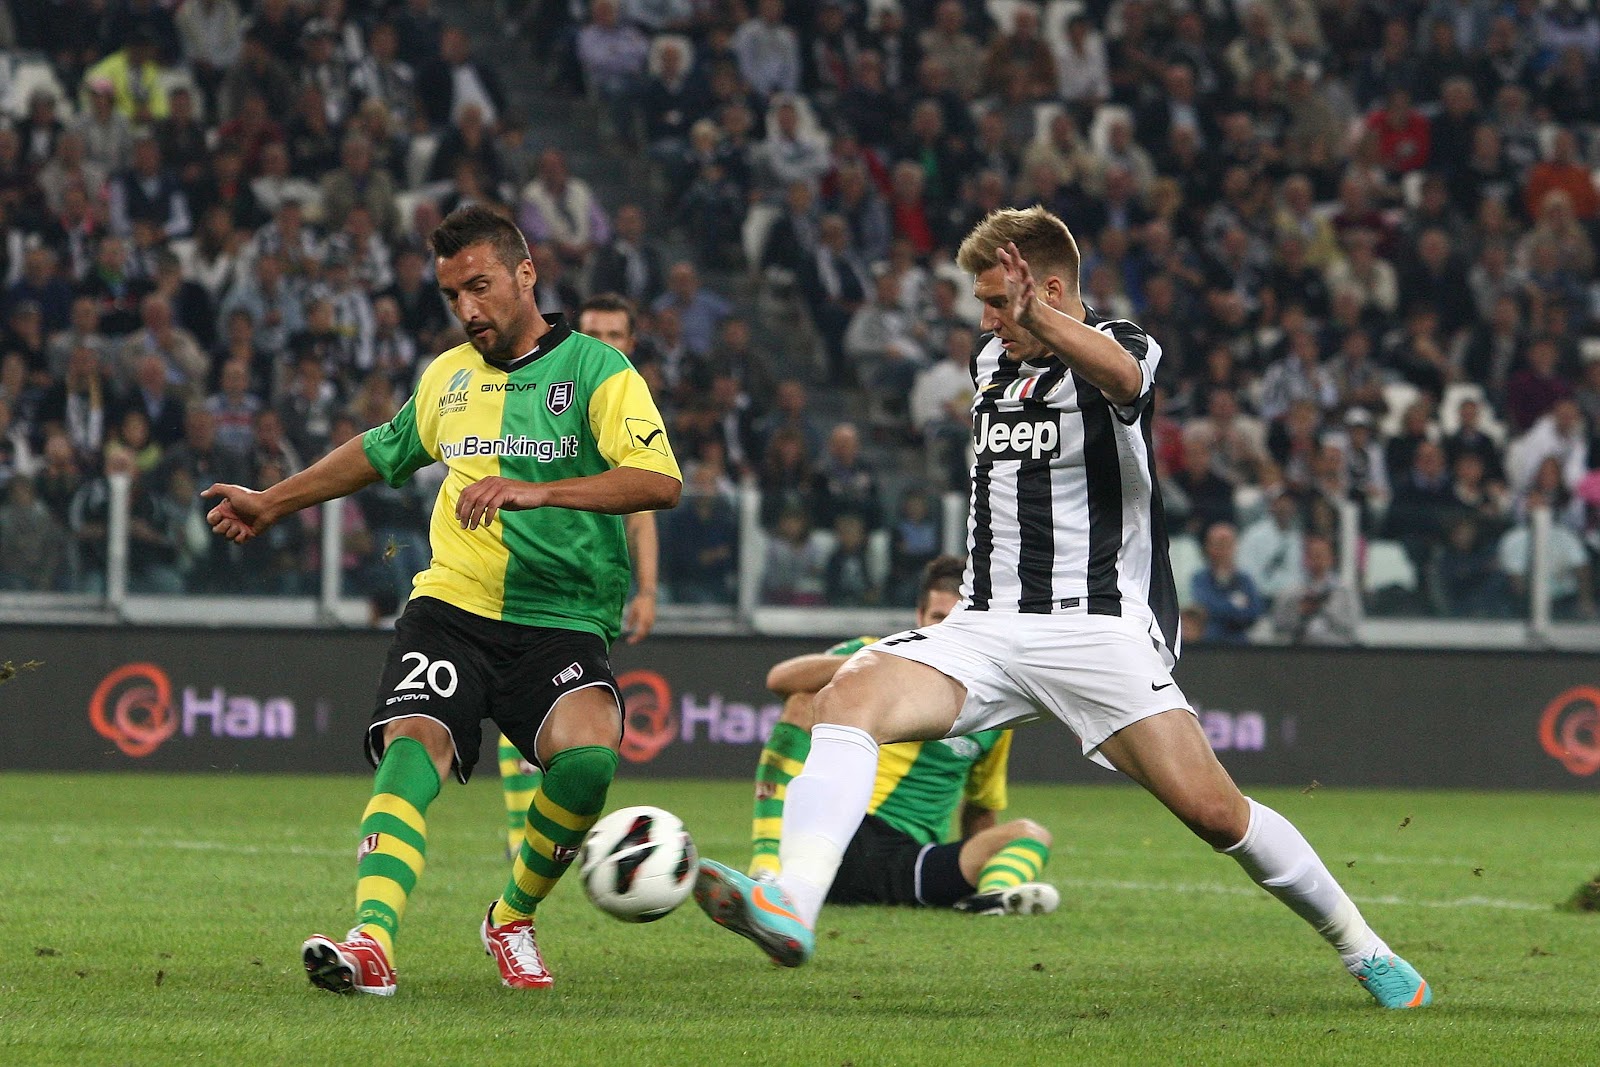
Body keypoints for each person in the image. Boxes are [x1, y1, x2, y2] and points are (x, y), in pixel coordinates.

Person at [693, 206, 1431, 1010]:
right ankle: (792, 905)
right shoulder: (990, 358)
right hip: (983, 624)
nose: (985, 321)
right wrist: (1017, 323)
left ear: (1045, 290)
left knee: (1218, 814)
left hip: (1095, 627)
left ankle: (1367, 950)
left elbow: (1124, 380)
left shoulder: (1126, 345)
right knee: (847, 694)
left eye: (996, 302)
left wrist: (1038, 319)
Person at [202, 206, 682, 996]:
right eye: (453, 294)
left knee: (589, 761)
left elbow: (659, 481)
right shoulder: (447, 377)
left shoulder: (599, 371)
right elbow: (381, 450)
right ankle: (372, 940)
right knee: (415, 736)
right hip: (454, 605)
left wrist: (536, 490)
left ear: (525, 274)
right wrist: (272, 502)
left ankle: (511, 917)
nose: (467, 308)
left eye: (480, 286)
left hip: (561, 617)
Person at [749, 555, 1058, 915]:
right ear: (919, 617)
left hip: (911, 862)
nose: (946, 630)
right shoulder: (875, 658)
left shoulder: (992, 705)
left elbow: (981, 807)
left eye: (958, 620)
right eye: (938, 618)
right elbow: (780, 680)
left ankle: (992, 897)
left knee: (1031, 834)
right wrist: (874, 661)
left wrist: (973, 864)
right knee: (804, 702)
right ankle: (768, 867)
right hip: (840, 834)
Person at [497, 293, 662, 856]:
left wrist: (647, 589)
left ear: (631, 343)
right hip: (523, 567)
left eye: (615, 335)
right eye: (593, 333)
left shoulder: (626, 407)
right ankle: (521, 831)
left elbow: (642, 508)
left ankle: (533, 826)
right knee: (522, 694)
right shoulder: (539, 388)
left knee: (561, 710)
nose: (603, 344)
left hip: (590, 585)